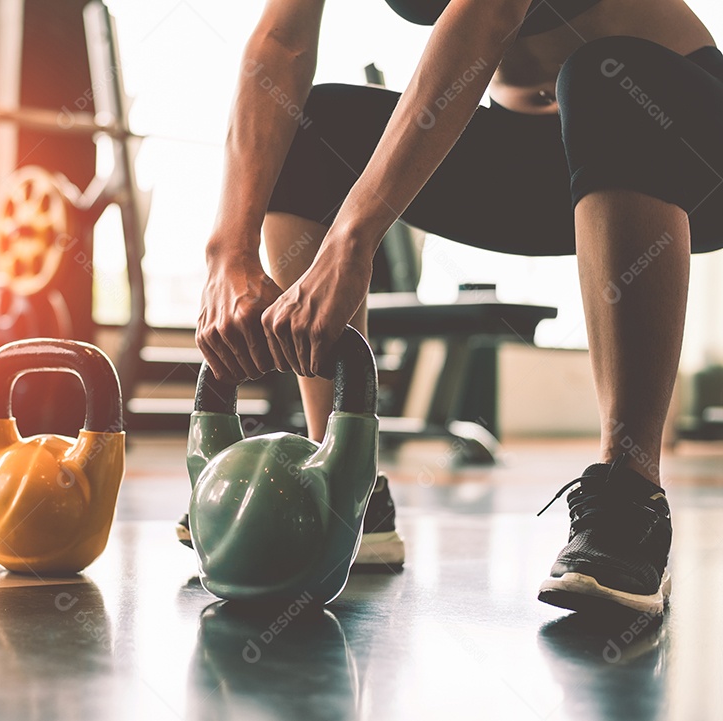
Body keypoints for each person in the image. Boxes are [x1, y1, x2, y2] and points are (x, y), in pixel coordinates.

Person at [190, 0, 723, 616]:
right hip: (531, 160)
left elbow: (488, 15)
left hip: (678, 137)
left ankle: (630, 497)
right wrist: (226, 253)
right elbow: (279, 44)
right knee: (318, 124)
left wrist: (352, 238)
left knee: (605, 72)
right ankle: (341, 484)